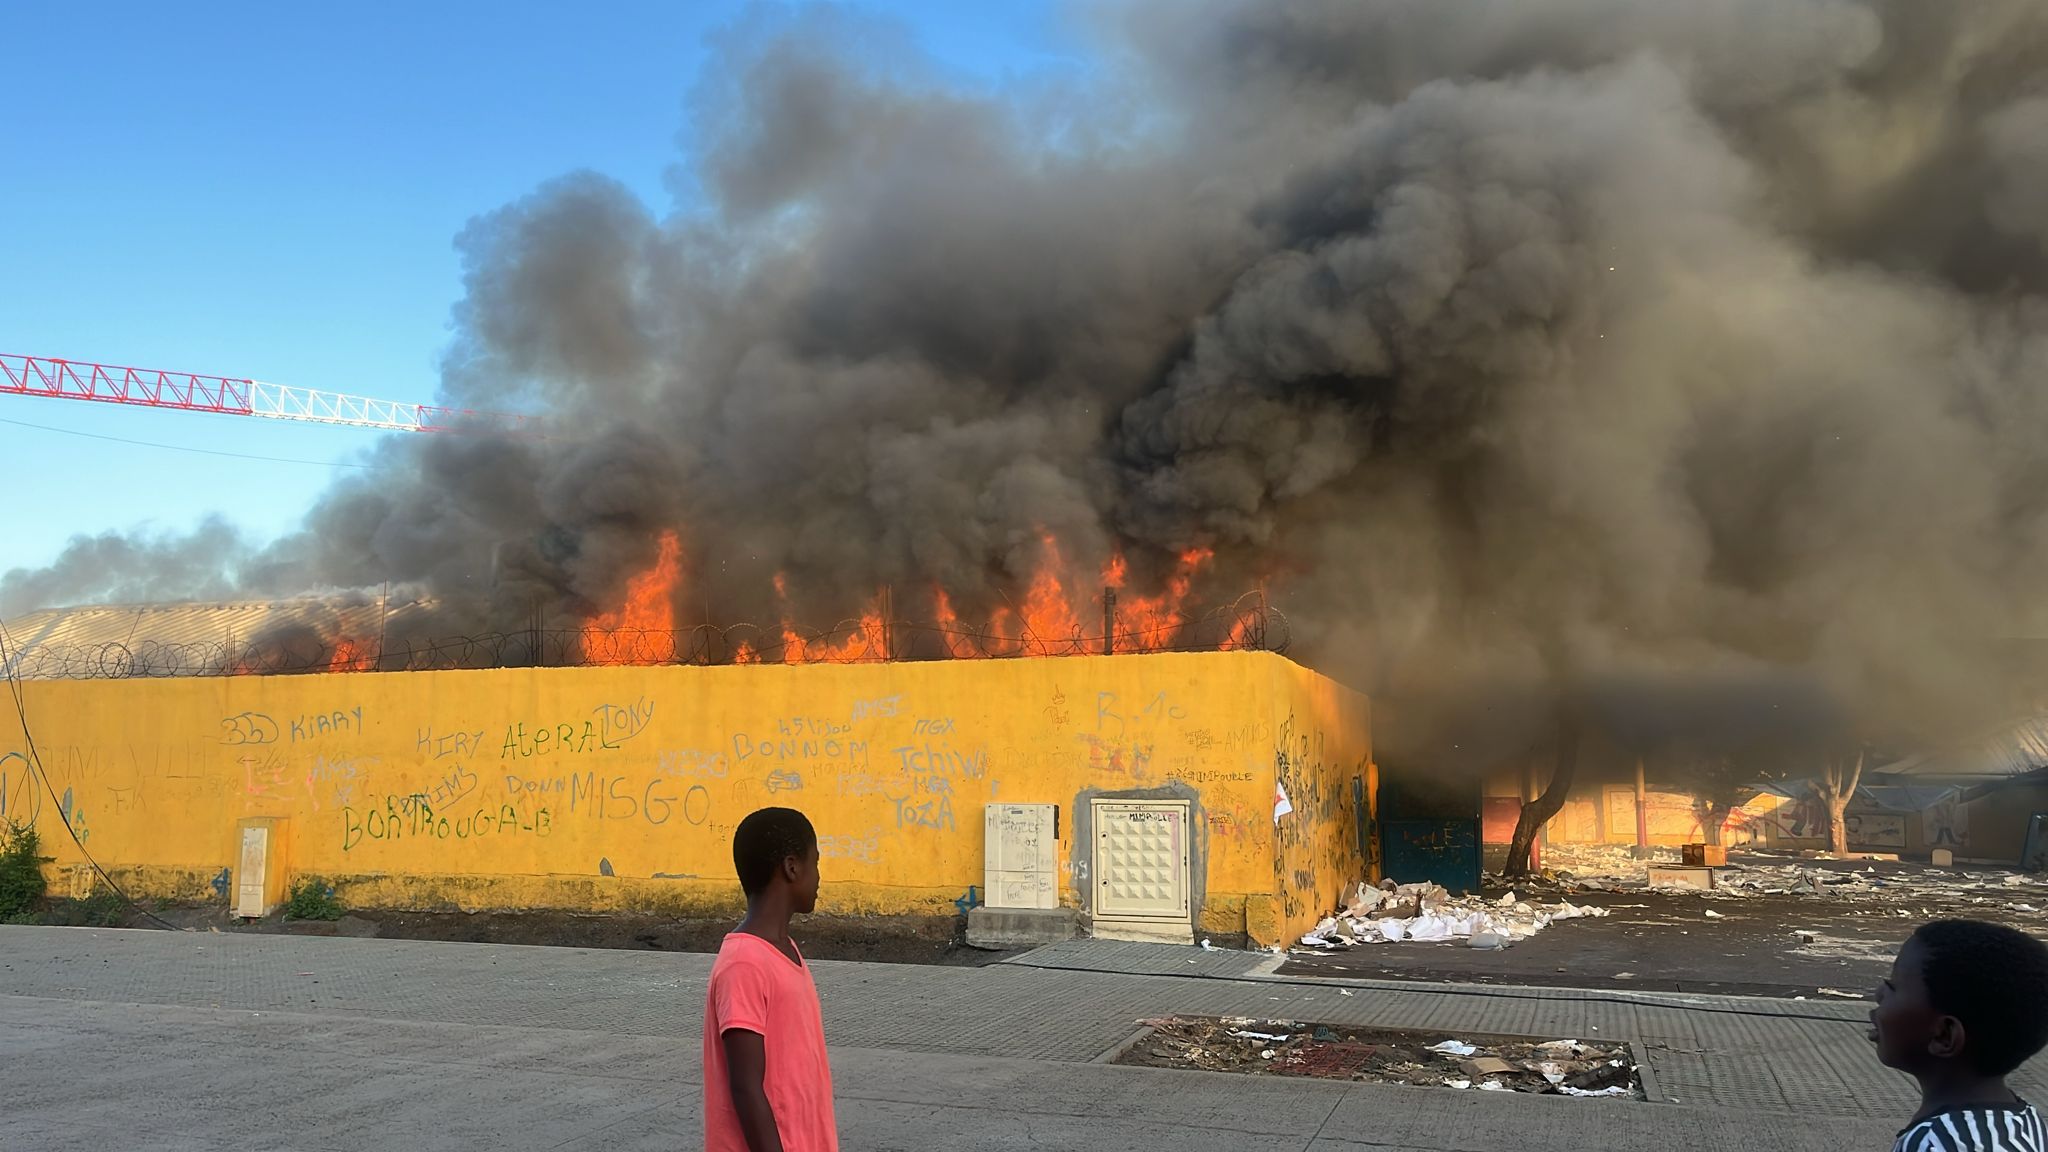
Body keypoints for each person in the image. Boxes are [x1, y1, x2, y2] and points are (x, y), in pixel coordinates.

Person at [703, 807, 838, 1152]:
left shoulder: (785, 948)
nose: (819, 877)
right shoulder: (744, 963)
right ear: (792, 867)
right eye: (815, 863)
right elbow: (746, 1088)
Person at [1872, 919, 2048, 1152]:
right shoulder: (2024, 1120)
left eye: (1892, 986)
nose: (1879, 993)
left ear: (1944, 1036)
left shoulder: (1936, 1143)